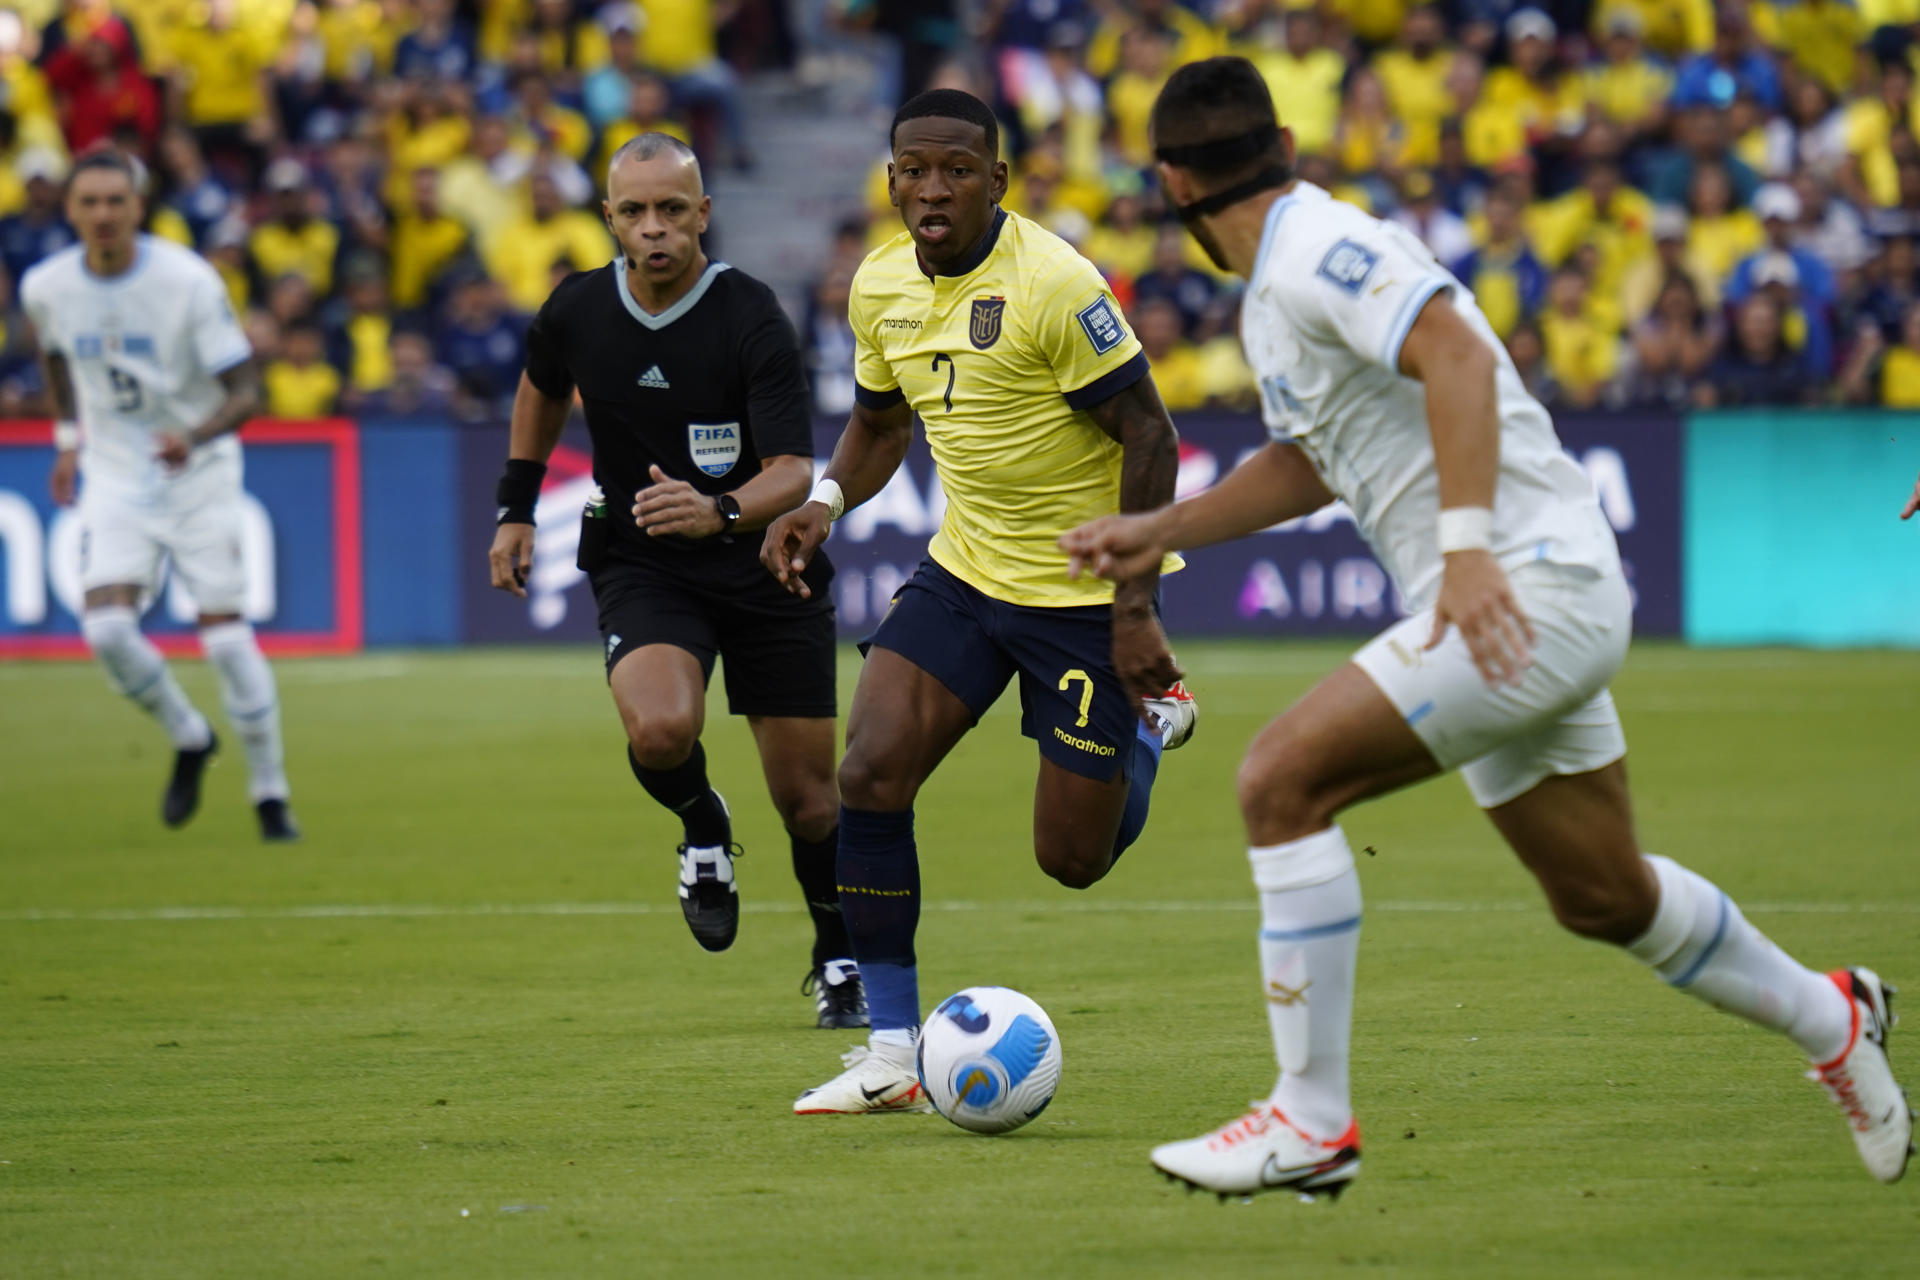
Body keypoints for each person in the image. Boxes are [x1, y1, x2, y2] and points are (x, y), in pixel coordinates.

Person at [1060, 57, 1911, 1199]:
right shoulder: (1281, 280)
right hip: (1519, 601)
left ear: (1170, 180)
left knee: (1278, 779)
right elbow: (1315, 462)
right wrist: (1166, 525)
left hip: (1526, 584)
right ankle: (1836, 1015)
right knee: (1603, 893)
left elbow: (1454, 349)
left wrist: (1464, 551)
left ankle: (1310, 1119)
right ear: (1284, 147)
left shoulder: (1314, 251)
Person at [759, 88, 1196, 1116]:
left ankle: (1144, 720)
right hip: (964, 573)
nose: (932, 188)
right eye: (913, 169)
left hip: (1081, 595)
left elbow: (1152, 435)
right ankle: (892, 1050)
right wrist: (823, 501)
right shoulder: (878, 286)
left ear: (998, 180)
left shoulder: (1053, 282)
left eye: (957, 168)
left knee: (1072, 858)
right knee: (867, 772)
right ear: (892, 179)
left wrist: (1133, 609)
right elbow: (879, 422)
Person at [485, 133, 864, 1030]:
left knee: (810, 801)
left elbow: (791, 472)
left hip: (768, 561)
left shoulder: (751, 314)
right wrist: (515, 505)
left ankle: (839, 955)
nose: (654, 229)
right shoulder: (577, 309)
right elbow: (541, 386)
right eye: (634, 212)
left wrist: (723, 511)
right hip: (644, 557)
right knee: (659, 731)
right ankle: (701, 824)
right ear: (610, 219)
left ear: (703, 213)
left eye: (672, 210)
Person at [22, 149, 298, 840]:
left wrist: (193, 437)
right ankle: (189, 735)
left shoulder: (187, 282)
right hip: (115, 474)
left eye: (117, 201)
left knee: (229, 643)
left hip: (199, 475)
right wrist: (65, 440)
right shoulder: (47, 287)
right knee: (107, 628)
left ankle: (270, 791)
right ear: (71, 209)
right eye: (90, 202)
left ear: (138, 207)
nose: (104, 214)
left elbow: (247, 392)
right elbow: (55, 356)